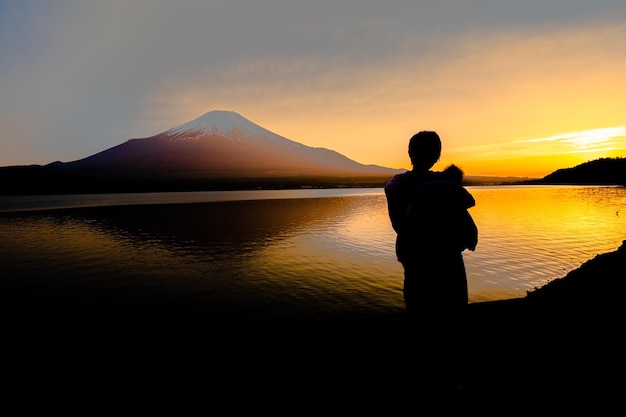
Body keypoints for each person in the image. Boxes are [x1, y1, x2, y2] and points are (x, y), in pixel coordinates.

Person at [384, 130, 478, 391]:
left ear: (410, 153)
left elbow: (402, 223)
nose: (432, 155)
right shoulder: (427, 185)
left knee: (425, 315)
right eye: (431, 150)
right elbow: (466, 203)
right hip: (436, 258)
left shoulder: (399, 185)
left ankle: (433, 376)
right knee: (446, 315)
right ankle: (443, 376)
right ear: (436, 155)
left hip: (423, 258)